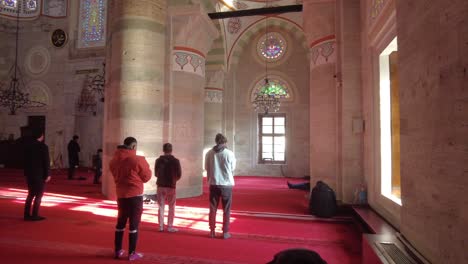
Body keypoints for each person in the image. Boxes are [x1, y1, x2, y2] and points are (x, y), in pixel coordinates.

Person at [109, 137, 152, 261]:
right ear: (133, 146)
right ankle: (132, 253)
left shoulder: (113, 161)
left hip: (121, 195)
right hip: (135, 196)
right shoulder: (136, 160)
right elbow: (146, 177)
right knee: (134, 224)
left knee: (120, 223)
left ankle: (117, 250)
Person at [204, 133, 236, 239]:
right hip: (226, 184)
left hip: (213, 183)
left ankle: (212, 231)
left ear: (216, 141)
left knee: (213, 208)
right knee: (226, 209)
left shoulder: (209, 153)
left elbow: (206, 167)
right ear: (225, 142)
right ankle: (225, 232)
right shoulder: (229, 153)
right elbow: (232, 168)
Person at [23, 130, 51, 221]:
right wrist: (48, 174)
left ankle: (26, 215)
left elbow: (25, 161)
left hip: (30, 174)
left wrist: (26, 172)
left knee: (30, 194)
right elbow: (46, 162)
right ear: (41, 136)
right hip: (39, 174)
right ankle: (35, 215)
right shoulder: (43, 147)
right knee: (39, 195)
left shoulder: (28, 146)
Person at [154, 143, 182, 232]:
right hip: (171, 185)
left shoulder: (158, 160)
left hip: (160, 185)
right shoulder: (176, 161)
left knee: (161, 206)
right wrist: (174, 180)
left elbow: (156, 174)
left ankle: (160, 226)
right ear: (171, 150)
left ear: (163, 150)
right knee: (171, 206)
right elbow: (179, 174)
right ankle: (170, 226)